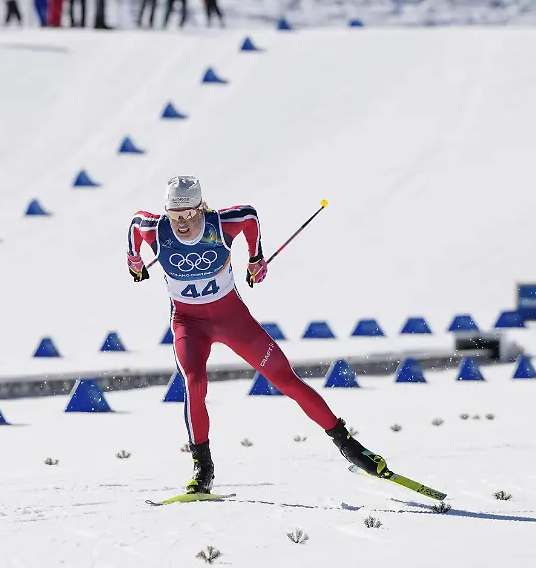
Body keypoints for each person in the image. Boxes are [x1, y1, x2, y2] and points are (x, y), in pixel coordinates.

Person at [126, 176, 389, 494]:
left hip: (232, 319)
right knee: (194, 384)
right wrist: (135, 261)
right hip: (188, 324)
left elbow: (249, 216)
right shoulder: (155, 229)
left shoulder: (222, 224)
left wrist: (255, 259)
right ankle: (202, 469)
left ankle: (350, 447)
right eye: (174, 215)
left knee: (286, 379)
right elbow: (135, 225)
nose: (181, 223)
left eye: (188, 215)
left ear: (201, 208)